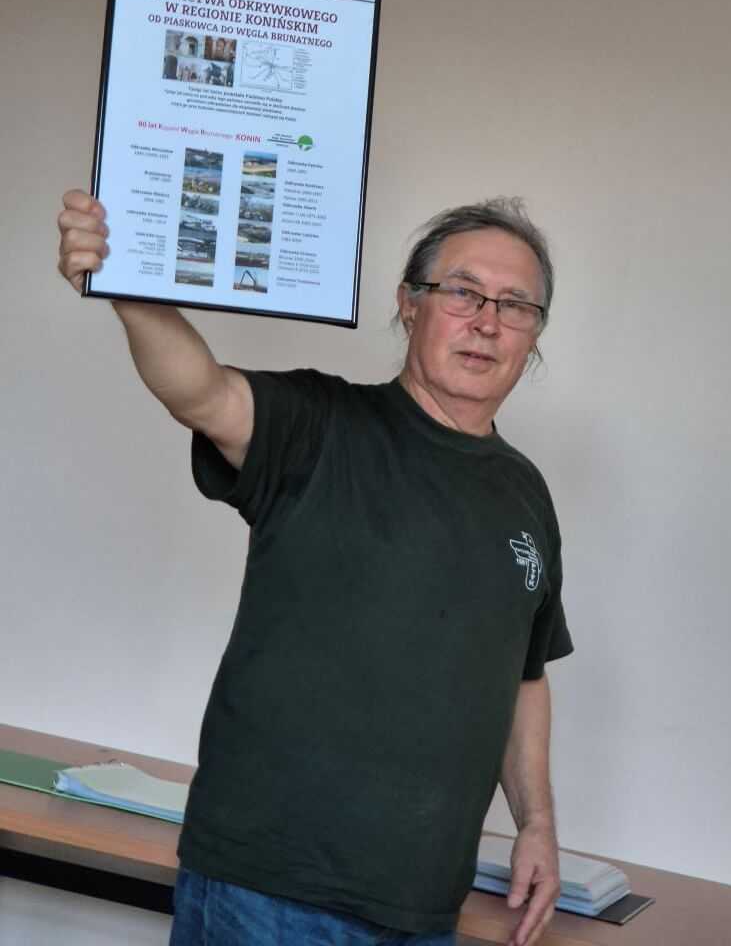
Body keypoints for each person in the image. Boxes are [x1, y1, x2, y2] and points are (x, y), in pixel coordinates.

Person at [57, 190, 574, 946]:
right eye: (463, 293)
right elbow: (199, 391)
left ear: (534, 335)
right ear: (410, 304)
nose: (487, 322)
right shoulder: (320, 425)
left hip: (425, 907)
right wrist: (126, 289)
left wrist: (538, 823)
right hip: (266, 893)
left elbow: (523, 675)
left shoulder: (525, 493)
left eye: (515, 305)